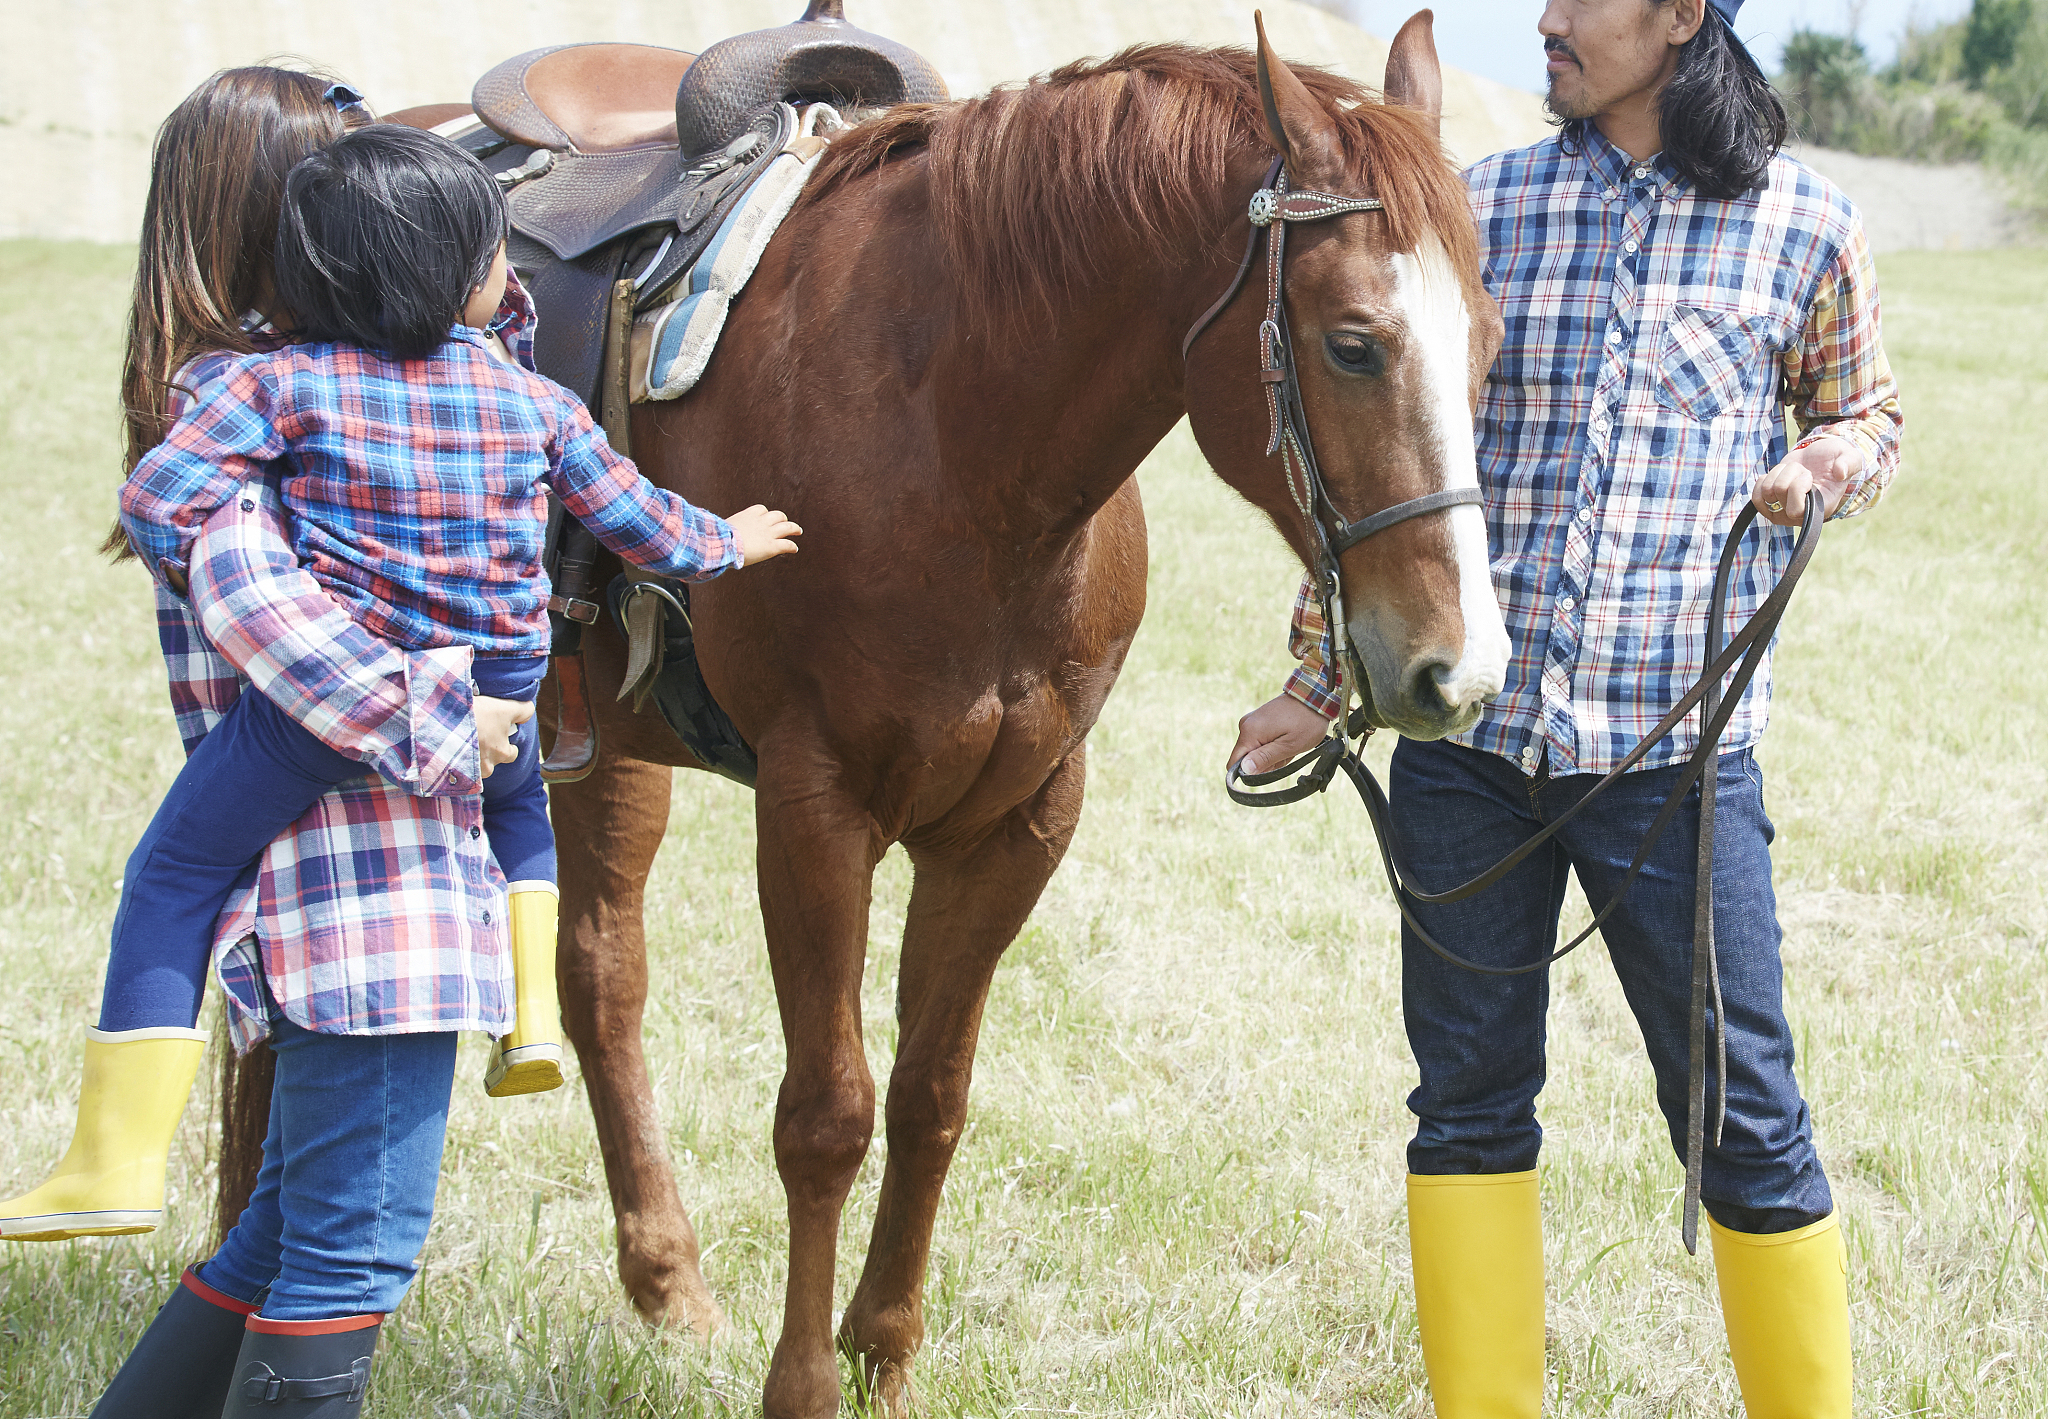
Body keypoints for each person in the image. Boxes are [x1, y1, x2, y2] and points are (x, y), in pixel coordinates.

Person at [1229, 2, 1901, 1414]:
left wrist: (1822, 466)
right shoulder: (1478, 212)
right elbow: (1395, 471)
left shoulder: (1806, 223)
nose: (1545, 18)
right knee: (1464, 1109)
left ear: (1676, 19)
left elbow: (1867, 411)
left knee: (1743, 1119)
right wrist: (1316, 682)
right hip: (1474, 753)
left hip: (1674, 756)